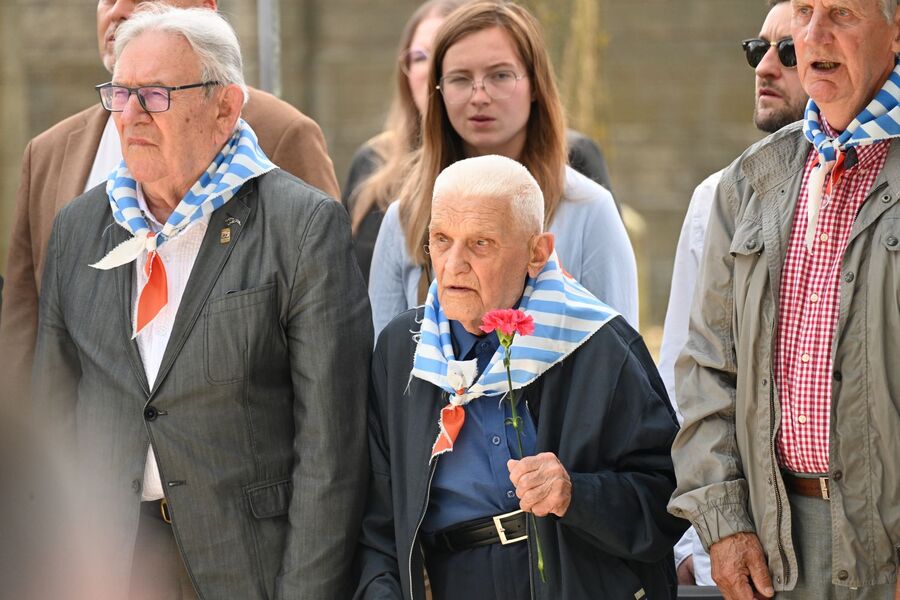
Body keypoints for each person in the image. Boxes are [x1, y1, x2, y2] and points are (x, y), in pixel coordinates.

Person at [31, 6, 370, 599]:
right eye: (120, 93)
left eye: (156, 95)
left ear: (225, 107)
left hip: (245, 567)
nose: (129, 114)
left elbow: (332, 453)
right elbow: (53, 414)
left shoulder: (302, 227)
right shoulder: (79, 228)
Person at [354, 154, 684, 600]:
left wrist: (576, 494)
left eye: (480, 244)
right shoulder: (402, 349)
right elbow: (377, 517)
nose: (452, 265)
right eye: (441, 240)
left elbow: (668, 498)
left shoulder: (598, 344)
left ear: (537, 252)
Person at [0, 0, 340, 412]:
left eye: (155, 94)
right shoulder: (48, 151)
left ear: (204, 7)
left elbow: (326, 327)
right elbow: (24, 323)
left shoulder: (282, 133)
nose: (120, 10)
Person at [669, 0, 900, 597]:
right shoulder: (751, 180)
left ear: (896, 32)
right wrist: (724, 526)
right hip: (776, 552)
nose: (814, 35)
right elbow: (706, 370)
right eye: (805, 12)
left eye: (842, 14)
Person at [367, 1, 637, 336]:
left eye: (500, 76)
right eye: (460, 79)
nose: (479, 95)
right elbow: (386, 366)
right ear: (438, 90)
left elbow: (620, 363)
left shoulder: (588, 210)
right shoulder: (407, 216)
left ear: (536, 84)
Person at [659, 0, 807, 587]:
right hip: (746, 544)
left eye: (787, 52)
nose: (765, 67)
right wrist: (698, 538)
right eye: (758, 49)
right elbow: (687, 376)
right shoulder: (717, 198)